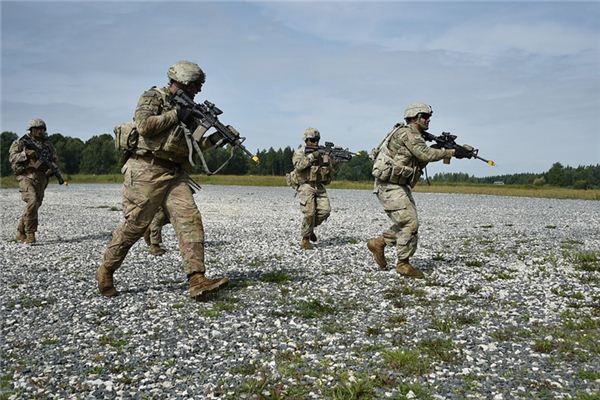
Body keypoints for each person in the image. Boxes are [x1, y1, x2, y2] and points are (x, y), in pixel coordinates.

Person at [96, 60, 230, 299]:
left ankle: (196, 278)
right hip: (145, 169)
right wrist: (177, 113)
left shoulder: (190, 110)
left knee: (189, 219)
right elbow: (145, 126)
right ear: (182, 82)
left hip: (174, 173)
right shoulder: (153, 97)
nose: (198, 90)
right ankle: (106, 269)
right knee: (135, 225)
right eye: (196, 85)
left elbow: (191, 148)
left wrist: (215, 139)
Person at [367, 102, 469, 278]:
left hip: (399, 185)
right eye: (425, 117)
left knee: (406, 223)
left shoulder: (417, 137)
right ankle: (403, 265)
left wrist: (445, 149)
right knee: (410, 222)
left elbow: (421, 156)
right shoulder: (408, 133)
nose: (428, 120)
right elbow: (426, 155)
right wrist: (450, 152)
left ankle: (379, 243)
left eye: (429, 117)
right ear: (414, 117)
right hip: (389, 185)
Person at [8, 118, 59, 244]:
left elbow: (54, 159)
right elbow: (12, 157)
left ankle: (20, 230)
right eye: (36, 129)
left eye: (42, 129)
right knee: (32, 200)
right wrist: (26, 154)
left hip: (41, 178)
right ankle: (31, 233)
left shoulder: (47, 145)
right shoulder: (22, 143)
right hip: (26, 176)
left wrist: (53, 169)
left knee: (34, 205)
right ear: (31, 130)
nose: (39, 131)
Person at [292, 128, 337, 250]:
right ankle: (305, 239)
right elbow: (298, 165)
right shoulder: (300, 152)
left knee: (325, 211)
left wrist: (330, 160)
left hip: (319, 185)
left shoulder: (322, 153)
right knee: (309, 213)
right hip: (306, 185)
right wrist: (313, 156)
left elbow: (328, 171)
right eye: (312, 140)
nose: (315, 142)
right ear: (306, 140)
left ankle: (309, 228)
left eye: (317, 140)